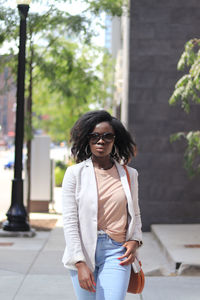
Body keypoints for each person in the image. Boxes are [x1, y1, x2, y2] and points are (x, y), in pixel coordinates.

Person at [62, 110, 142, 300]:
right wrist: (80, 263)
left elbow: (135, 214)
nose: (101, 141)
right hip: (83, 251)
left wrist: (135, 240)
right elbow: (70, 222)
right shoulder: (75, 174)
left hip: (116, 251)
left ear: (115, 140)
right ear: (87, 139)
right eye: (95, 136)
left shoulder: (129, 175)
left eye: (107, 136)